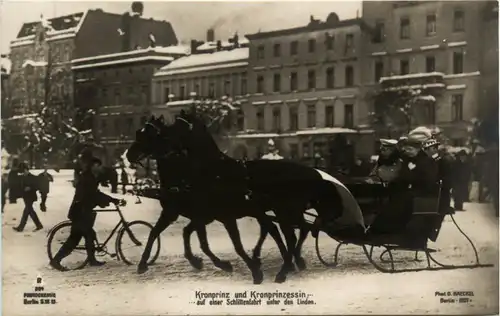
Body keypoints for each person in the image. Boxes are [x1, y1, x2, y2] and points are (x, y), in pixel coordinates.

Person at [50, 157, 125, 271]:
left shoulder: (91, 177)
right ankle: (56, 261)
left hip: (83, 211)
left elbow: (95, 194)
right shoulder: (87, 178)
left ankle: (91, 259)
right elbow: (92, 195)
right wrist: (111, 200)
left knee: (89, 235)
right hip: (81, 212)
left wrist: (108, 200)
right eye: (99, 166)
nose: (100, 168)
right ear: (94, 166)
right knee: (75, 239)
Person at [13, 163, 43, 232]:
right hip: (25, 197)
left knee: (27, 211)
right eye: (22, 172)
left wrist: (30, 188)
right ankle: (38, 225)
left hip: (31, 197)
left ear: (26, 170)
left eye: (23, 171)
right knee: (29, 211)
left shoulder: (33, 177)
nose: (23, 173)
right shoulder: (22, 177)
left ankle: (21, 227)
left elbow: (38, 186)